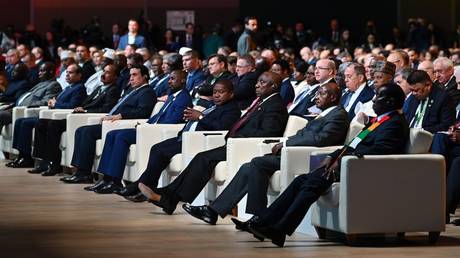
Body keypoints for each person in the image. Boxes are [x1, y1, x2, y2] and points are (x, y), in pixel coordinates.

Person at [246, 83, 409, 247]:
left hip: (362, 169)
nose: (373, 100)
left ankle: (279, 229)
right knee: (300, 181)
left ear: (390, 101)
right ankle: (265, 223)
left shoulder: (394, 123)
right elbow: (352, 144)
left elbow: (380, 151)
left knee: (311, 184)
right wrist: (333, 156)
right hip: (349, 164)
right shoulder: (378, 121)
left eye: (378, 96)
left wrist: (342, 160)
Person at [183, 82, 350, 226]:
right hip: (293, 153)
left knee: (257, 163)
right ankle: (214, 211)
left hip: (309, 158)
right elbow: (303, 135)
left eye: (321, 93)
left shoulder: (338, 115)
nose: (316, 97)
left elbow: (320, 139)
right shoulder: (324, 114)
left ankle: (259, 217)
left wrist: (285, 143)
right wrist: (286, 142)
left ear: (333, 97)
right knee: (248, 167)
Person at [137, 72, 289, 215]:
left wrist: (240, 137)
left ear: (273, 86)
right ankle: (169, 196)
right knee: (201, 157)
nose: (256, 85)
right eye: (257, 82)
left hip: (246, 146)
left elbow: (269, 132)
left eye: (262, 82)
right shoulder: (263, 102)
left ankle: (169, 197)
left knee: (204, 158)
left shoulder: (275, 105)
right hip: (235, 144)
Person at [109, 80, 241, 200]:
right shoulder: (214, 106)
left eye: (221, 92)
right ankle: (146, 186)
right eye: (215, 92)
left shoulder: (232, 110)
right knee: (156, 148)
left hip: (196, 141)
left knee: (161, 151)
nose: (217, 95)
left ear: (231, 94)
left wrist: (200, 117)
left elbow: (221, 127)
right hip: (185, 137)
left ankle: (140, 187)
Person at [86, 69, 192, 192]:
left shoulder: (184, 98)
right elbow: (158, 116)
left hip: (156, 132)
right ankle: (106, 178)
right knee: (112, 134)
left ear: (183, 80)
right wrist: (145, 123)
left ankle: (115, 181)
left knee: (121, 136)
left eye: (172, 79)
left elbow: (173, 120)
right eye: (168, 79)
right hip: (150, 128)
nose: (169, 82)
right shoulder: (173, 95)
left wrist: (148, 127)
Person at [60, 64, 156, 183]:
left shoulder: (147, 92)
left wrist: (121, 115)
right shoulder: (132, 91)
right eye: (130, 75)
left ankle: (85, 174)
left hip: (122, 124)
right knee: (81, 130)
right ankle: (80, 171)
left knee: (87, 132)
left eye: (135, 75)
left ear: (145, 77)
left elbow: (143, 111)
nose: (131, 78)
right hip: (112, 122)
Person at [30, 64, 121, 176]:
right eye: (103, 71)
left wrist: (85, 111)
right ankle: (43, 161)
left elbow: (106, 108)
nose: (103, 74)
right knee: (41, 123)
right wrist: (81, 108)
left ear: (116, 77)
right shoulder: (99, 88)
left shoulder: (113, 90)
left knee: (53, 124)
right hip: (79, 115)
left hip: (87, 117)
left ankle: (55, 164)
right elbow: (85, 103)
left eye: (107, 72)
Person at [7, 64, 86, 168]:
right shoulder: (68, 88)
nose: (67, 75)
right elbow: (54, 101)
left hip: (62, 117)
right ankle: (24, 156)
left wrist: (55, 104)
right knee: (20, 121)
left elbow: (72, 106)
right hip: (53, 114)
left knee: (28, 123)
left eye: (70, 73)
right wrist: (52, 103)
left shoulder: (79, 88)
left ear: (79, 75)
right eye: (66, 72)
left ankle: (29, 158)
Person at [0, 62, 61, 133]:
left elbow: (46, 101)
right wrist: (12, 106)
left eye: (42, 71)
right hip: (16, 109)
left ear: (51, 72)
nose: (39, 73)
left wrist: (25, 106)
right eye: (39, 71)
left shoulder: (54, 85)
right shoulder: (41, 83)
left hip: (25, 111)